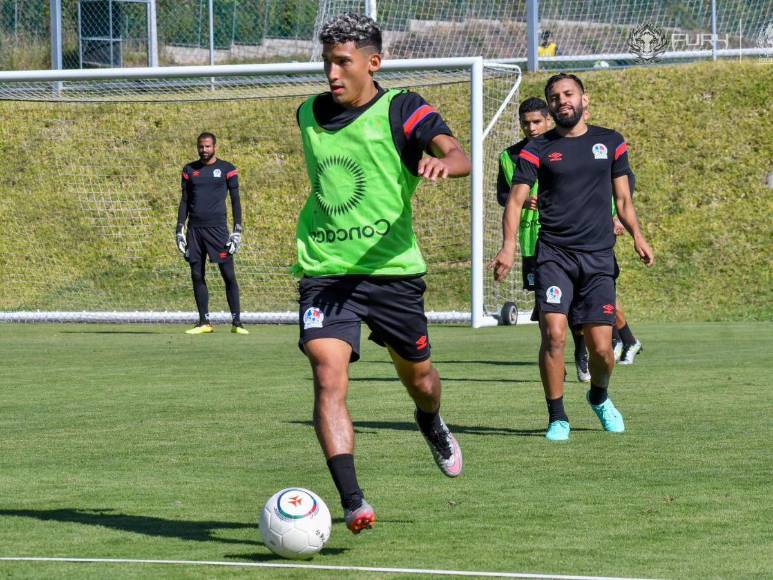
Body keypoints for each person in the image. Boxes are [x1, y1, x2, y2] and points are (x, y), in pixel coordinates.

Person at [293, 13, 471, 534]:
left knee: (421, 380)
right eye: (327, 61)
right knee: (328, 375)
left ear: (373, 62)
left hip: (392, 273)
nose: (332, 72)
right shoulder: (307, 113)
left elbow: (456, 152)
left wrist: (445, 164)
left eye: (343, 62)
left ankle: (430, 421)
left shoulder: (403, 108)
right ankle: (353, 501)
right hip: (325, 272)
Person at [492, 73, 654, 442]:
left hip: (598, 257)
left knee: (601, 348)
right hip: (554, 255)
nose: (561, 100)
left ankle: (598, 396)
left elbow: (624, 199)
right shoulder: (537, 148)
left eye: (568, 94)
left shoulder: (611, 142)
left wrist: (638, 236)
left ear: (585, 99)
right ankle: (557, 417)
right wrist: (508, 246)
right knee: (554, 334)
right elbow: (515, 200)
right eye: (554, 97)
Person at [176, 132, 248, 335]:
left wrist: (237, 230)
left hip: (218, 231)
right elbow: (184, 201)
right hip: (194, 231)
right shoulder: (189, 170)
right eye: (201, 146)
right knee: (197, 274)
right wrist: (179, 229)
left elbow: (235, 201)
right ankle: (204, 322)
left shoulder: (227, 169)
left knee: (228, 275)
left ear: (215, 146)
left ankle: (237, 323)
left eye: (207, 146)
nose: (204, 150)